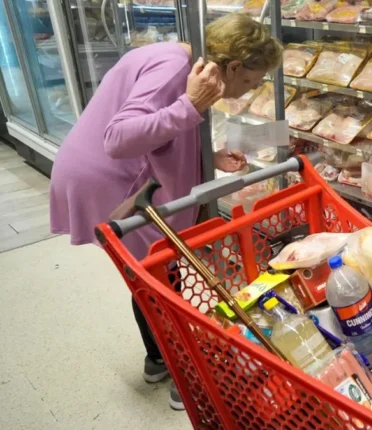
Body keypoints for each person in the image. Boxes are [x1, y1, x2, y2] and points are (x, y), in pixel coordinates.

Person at [49, 13, 283, 410]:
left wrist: (209, 156)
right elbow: (119, 138)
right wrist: (191, 105)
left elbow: (162, 134)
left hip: (116, 176)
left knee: (152, 276)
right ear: (233, 66)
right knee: (159, 280)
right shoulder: (176, 68)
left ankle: (158, 361)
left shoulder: (183, 61)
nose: (248, 91)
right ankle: (183, 374)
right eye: (250, 81)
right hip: (113, 182)